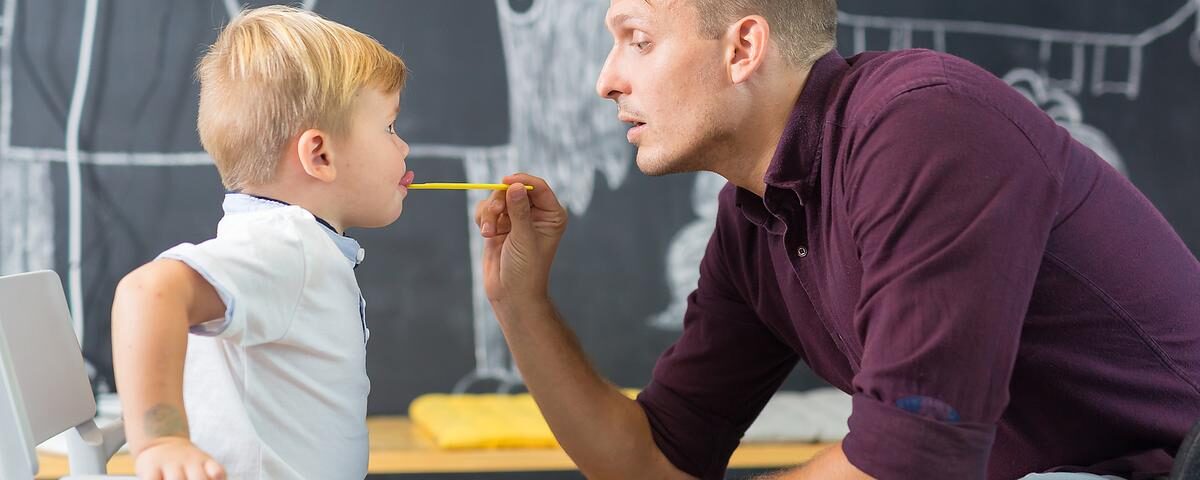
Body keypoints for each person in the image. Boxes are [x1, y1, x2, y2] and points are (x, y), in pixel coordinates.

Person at [473, 0, 1200, 478]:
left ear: (743, 47)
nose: (606, 81)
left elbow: (914, 459)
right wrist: (520, 303)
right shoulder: (753, 219)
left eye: (637, 41)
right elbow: (656, 462)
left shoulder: (925, 123)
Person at [111, 6, 412, 479]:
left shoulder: (297, 245)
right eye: (389, 127)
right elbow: (149, 292)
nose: (404, 147)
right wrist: (161, 439)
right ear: (320, 154)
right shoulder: (287, 246)